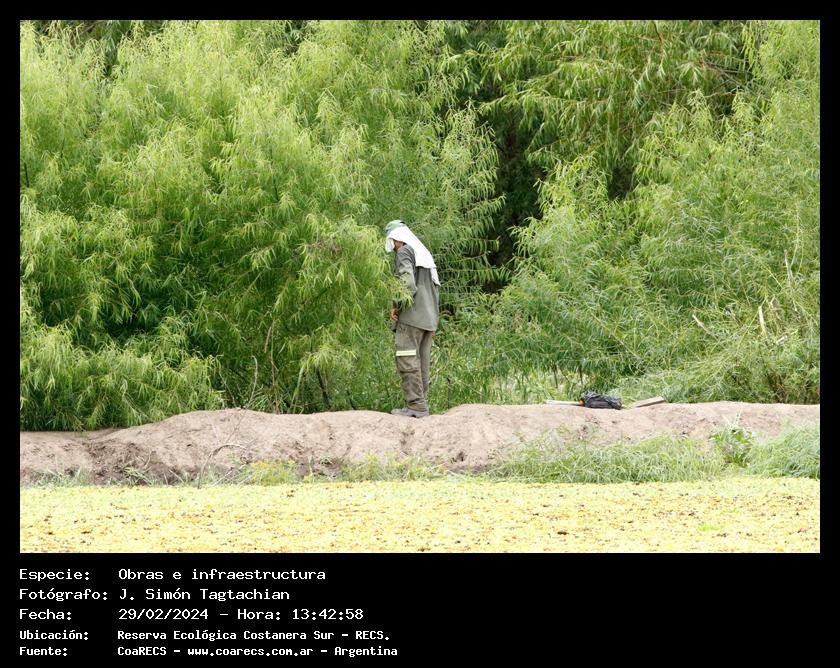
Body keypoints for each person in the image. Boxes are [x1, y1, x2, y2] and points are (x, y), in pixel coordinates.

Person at [383, 220, 440, 417]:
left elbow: (407, 284)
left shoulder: (404, 251)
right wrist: (434, 320)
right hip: (429, 320)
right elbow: (436, 289)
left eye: (392, 242)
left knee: (407, 359)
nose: (393, 247)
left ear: (396, 238)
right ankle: (421, 405)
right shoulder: (424, 254)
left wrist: (396, 305)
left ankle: (416, 406)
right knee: (422, 363)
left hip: (412, 318)